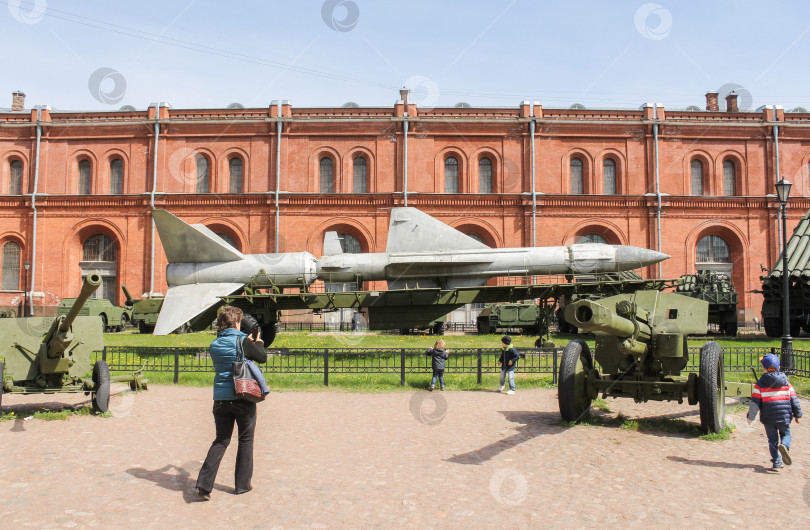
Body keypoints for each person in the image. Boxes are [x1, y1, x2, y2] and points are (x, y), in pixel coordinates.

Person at [196, 306, 267, 500]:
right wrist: (258, 343)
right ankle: (242, 485)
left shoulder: (214, 344)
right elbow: (262, 357)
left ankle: (203, 485)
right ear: (237, 323)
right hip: (242, 397)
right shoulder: (242, 340)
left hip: (220, 399)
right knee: (245, 440)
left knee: (221, 440)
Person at [747, 353, 802, 470]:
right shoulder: (786, 383)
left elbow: (755, 402)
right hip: (784, 416)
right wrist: (798, 415)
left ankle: (777, 462)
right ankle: (785, 447)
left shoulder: (760, 384)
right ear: (779, 367)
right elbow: (794, 400)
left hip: (768, 418)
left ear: (764, 368)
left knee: (772, 440)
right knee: (786, 434)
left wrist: (750, 416)